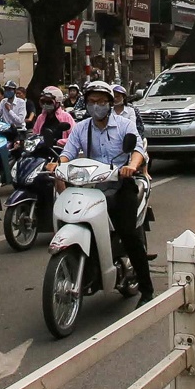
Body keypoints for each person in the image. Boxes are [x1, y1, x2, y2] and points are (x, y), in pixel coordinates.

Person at [56, 82, 154, 304]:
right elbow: (68, 152)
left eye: (101, 102)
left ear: (110, 103)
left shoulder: (124, 125)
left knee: (128, 233)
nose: (96, 106)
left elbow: (138, 151)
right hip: (90, 187)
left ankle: (147, 290)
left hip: (120, 184)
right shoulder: (81, 128)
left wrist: (131, 166)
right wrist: (59, 165)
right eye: (91, 102)